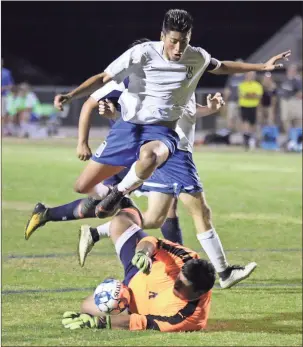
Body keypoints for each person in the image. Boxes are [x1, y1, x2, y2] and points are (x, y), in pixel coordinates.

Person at [53, 8, 291, 218]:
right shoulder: (142, 53)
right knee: (82, 186)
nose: (178, 48)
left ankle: (118, 192)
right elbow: (103, 78)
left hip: (162, 131)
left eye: (184, 41)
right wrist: (71, 95)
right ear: (162, 36)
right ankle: (121, 201)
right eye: (174, 41)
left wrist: (262, 66)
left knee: (149, 157)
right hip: (128, 128)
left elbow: (222, 67)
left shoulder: (196, 56)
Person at [62, 204, 216, 332]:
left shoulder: (190, 317)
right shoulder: (186, 258)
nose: (176, 283)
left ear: (199, 293)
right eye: (179, 278)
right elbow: (154, 242)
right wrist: (143, 253)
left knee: (87, 307)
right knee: (120, 221)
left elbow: (143, 322)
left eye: (183, 286)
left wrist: (97, 322)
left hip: (131, 305)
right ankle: (126, 202)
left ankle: (123, 194)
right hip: (140, 268)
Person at [238, 71, 264, 150]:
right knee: (245, 122)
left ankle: (252, 139)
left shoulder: (257, 85)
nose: (250, 76)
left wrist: (248, 95)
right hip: (244, 105)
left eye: (252, 75)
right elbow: (242, 95)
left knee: (253, 123)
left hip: (254, 106)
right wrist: (252, 95)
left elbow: (258, 96)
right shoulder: (242, 84)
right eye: (249, 75)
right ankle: (246, 139)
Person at [279, 64, 302, 134]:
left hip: (294, 100)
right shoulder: (283, 79)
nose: (291, 72)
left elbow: (300, 92)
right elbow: (280, 90)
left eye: (293, 71)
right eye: (290, 70)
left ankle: (298, 136)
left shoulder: (298, 80)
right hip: (284, 101)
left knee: (298, 119)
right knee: (285, 119)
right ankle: (290, 135)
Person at [223, 59, 245, 132]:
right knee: (230, 118)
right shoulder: (232, 77)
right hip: (232, 101)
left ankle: (241, 135)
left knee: (241, 119)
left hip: (242, 101)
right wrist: (225, 101)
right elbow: (227, 90)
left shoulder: (245, 77)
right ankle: (229, 133)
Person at [1, 58, 15, 133]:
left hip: (3, 96)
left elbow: (10, 85)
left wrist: (3, 88)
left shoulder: (6, 73)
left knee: (2, 114)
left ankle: (2, 130)